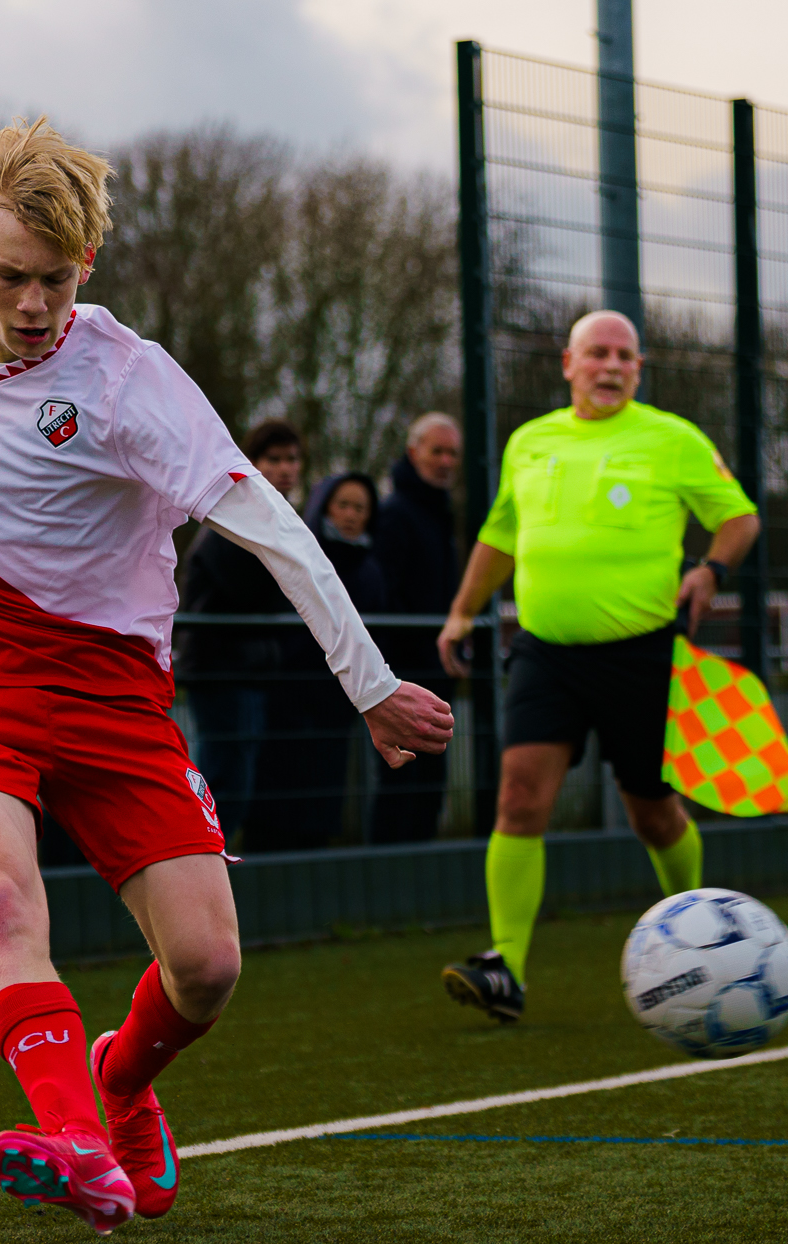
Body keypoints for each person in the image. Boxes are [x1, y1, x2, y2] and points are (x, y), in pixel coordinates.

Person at [0, 113, 450, 1235]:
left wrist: (367, 684)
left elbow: (272, 529)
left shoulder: (131, 382)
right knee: (3, 898)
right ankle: (68, 1137)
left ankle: (116, 1088)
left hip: (114, 701)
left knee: (207, 965)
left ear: (87, 266)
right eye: (12, 277)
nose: (31, 306)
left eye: (55, 282)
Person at [434, 310, 760, 1023]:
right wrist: (462, 609)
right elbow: (500, 535)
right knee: (518, 797)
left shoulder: (672, 438)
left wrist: (710, 571)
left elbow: (740, 518)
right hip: (545, 653)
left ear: (639, 369)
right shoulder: (530, 441)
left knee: (651, 810)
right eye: (598, 354)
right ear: (568, 363)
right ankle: (505, 968)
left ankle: (700, 933)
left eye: (625, 356)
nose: (611, 366)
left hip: (642, 653)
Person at [242, 471, 388, 850]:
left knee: (322, 799)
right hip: (285, 700)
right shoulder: (296, 556)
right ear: (324, 505)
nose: (351, 515)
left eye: (361, 507)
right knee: (274, 799)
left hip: (335, 707)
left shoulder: (372, 572)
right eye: (343, 505)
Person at [177, 419, 304, 843]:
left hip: (247, 671)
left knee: (237, 778)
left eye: (292, 459)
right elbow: (259, 591)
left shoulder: (270, 520)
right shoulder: (233, 521)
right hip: (221, 672)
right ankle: (200, 860)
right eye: (275, 459)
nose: (285, 469)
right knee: (221, 779)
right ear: (252, 463)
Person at [370, 413, 463, 843]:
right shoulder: (395, 514)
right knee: (403, 781)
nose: (446, 462)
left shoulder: (438, 512)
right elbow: (385, 595)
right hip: (406, 673)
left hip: (434, 668)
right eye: (437, 451)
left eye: (453, 454)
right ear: (413, 453)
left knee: (429, 783)